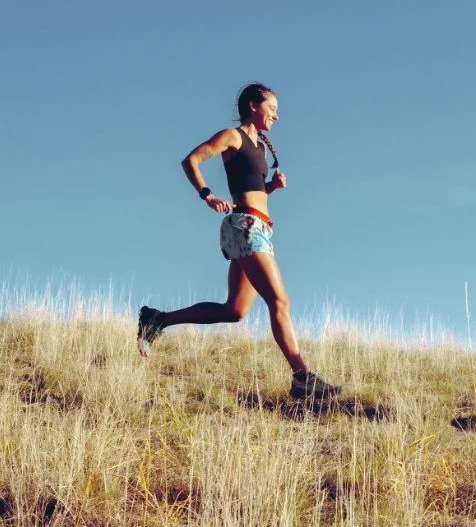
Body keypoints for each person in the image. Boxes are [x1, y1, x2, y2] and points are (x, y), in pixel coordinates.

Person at [137, 83, 341, 402]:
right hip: (244, 226)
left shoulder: (259, 147)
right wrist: (207, 194)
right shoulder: (233, 137)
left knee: (234, 311)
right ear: (253, 105)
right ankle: (302, 377)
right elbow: (190, 160)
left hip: (257, 227)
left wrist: (270, 187)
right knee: (280, 302)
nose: (276, 114)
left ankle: (158, 319)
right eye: (272, 107)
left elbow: (251, 191)